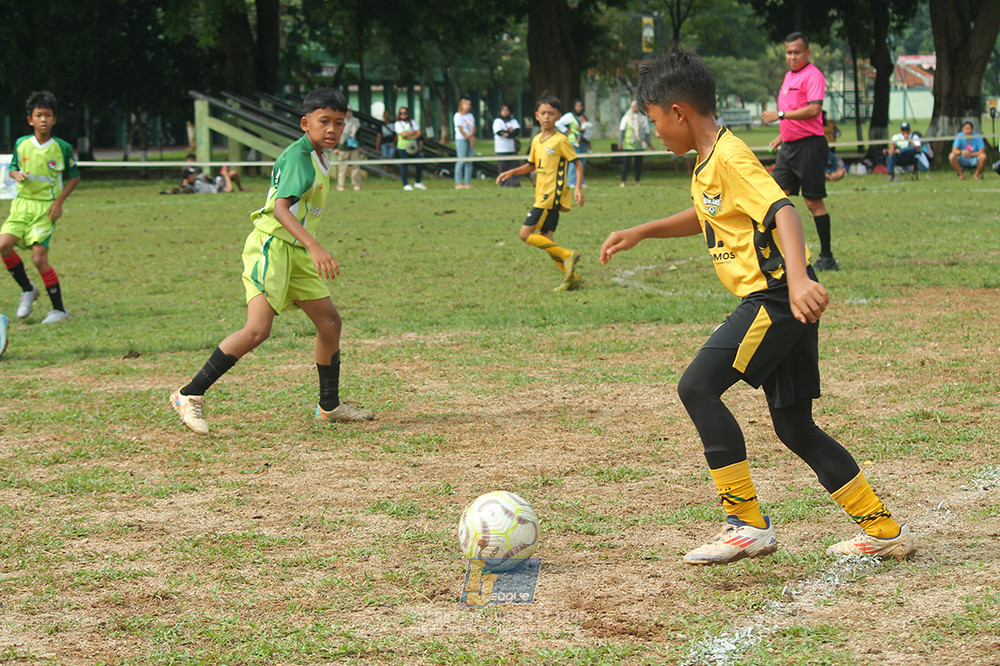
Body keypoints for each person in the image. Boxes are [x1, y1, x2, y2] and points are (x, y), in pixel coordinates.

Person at [600, 49, 915, 566]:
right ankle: (881, 528)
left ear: (677, 112)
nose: (655, 132)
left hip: (775, 299)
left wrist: (794, 280)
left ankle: (747, 524)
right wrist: (642, 231)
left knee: (696, 387)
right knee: (793, 427)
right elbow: (709, 215)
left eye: (654, 120)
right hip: (782, 298)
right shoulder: (708, 163)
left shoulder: (730, 156)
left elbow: (782, 210)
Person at [170, 88, 374, 436]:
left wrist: (306, 247)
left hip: (294, 251)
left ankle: (329, 406)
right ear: (305, 123)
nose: (332, 130)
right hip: (273, 248)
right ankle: (189, 394)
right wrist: (314, 245)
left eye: (339, 123)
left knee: (330, 324)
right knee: (257, 330)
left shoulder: (319, 155)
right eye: (324, 122)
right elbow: (280, 209)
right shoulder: (299, 157)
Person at [1, 91, 80, 324]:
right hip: (21, 206)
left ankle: (59, 310)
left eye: (48, 115)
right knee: (3, 246)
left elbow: (74, 177)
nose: (43, 119)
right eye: (39, 115)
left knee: (39, 258)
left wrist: (59, 202)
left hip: (46, 209)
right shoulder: (21, 144)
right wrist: (16, 174)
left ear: (55, 119)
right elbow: (12, 167)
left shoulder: (62, 148)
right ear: (30, 120)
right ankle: (28, 289)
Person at [762, 32, 838, 272]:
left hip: (810, 147)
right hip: (790, 147)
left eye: (796, 52)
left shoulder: (813, 76)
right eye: (788, 52)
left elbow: (814, 110)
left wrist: (780, 116)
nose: (792, 57)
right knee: (776, 198)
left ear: (808, 53)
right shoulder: (788, 76)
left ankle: (827, 257)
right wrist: (781, 136)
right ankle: (777, 254)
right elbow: (795, 114)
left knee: (813, 202)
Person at [496, 96, 585, 292]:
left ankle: (567, 254)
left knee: (525, 234)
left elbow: (577, 164)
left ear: (558, 116)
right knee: (546, 238)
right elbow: (531, 165)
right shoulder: (536, 140)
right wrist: (511, 172)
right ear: (536, 116)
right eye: (543, 113)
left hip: (551, 196)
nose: (547, 117)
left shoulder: (561, 140)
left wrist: (578, 188)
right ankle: (573, 278)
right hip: (541, 195)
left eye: (551, 114)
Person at [556, 99, 590, 187]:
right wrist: (567, 131)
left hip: (583, 142)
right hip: (573, 142)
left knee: (582, 162)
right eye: (577, 106)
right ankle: (571, 181)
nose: (579, 108)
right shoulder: (570, 116)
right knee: (573, 161)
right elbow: (558, 123)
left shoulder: (584, 117)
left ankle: (581, 182)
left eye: (580, 106)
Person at [618, 101, 651, 187]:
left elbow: (647, 132)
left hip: (639, 145)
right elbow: (622, 131)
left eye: (637, 107)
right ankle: (623, 181)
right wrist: (620, 143)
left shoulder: (643, 118)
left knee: (638, 164)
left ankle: (637, 181)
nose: (635, 108)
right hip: (628, 145)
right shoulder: (626, 117)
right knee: (625, 164)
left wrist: (649, 143)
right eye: (634, 106)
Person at [394, 106, 427, 191]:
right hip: (403, 147)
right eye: (401, 113)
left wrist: (410, 135)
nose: (403, 115)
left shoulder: (412, 122)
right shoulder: (398, 124)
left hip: (413, 147)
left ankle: (418, 182)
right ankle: (405, 184)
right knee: (404, 166)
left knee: (419, 164)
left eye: (405, 113)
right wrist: (413, 133)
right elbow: (403, 135)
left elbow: (419, 133)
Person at [493, 104, 521, 187]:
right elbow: (499, 132)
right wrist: (510, 134)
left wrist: (508, 134)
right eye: (504, 110)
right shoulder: (498, 121)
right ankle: (504, 184)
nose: (505, 112)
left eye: (507, 110)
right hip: (501, 148)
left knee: (514, 167)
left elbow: (517, 130)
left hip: (512, 148)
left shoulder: (513, 121)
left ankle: (515, 183)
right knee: (503, 168)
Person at [336, 108, 362, 191]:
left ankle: (356, 184)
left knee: (355, 166)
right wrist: (335, 147)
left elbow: (360, 135)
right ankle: (341, 185)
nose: (347, 113)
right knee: (342, 167)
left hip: (354, 146)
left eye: (348, 111)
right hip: (342, 146)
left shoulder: (356, 122)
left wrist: (361, 146)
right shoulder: (338, 122)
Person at [453, 98, 476, 189]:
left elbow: (474, 127)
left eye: (469, 104)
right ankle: (458, 182)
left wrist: (471, 138)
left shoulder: (470, 115)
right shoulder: (457, 115)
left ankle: (468, 182)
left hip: (470, 139)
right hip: (461, 139)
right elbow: (460, 129)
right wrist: (468, 138)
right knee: (461, 160)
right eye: (466, 104)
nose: (468, 106)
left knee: (469, 161)